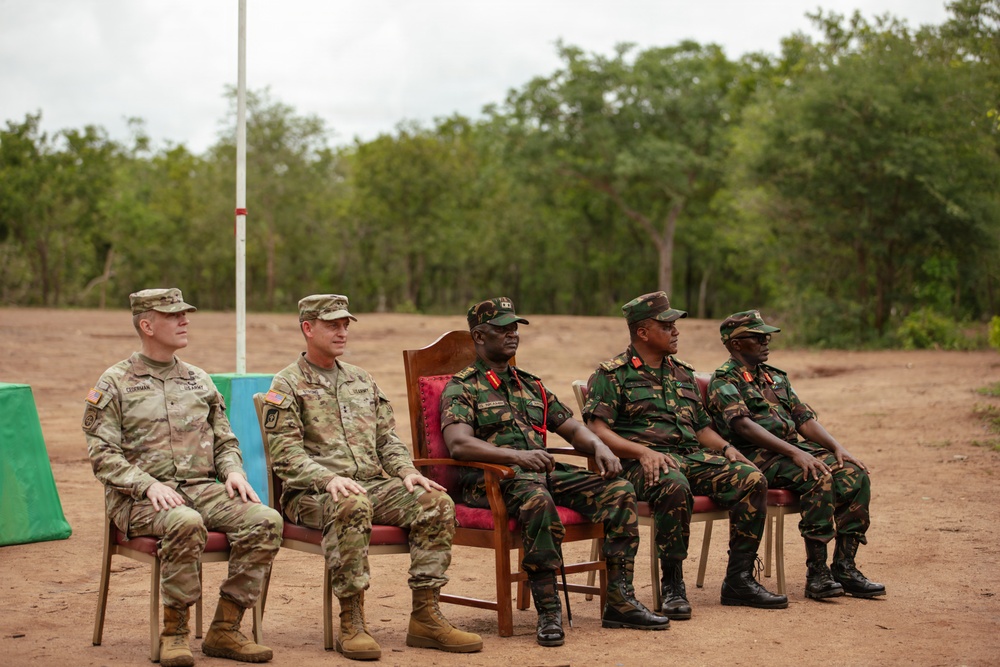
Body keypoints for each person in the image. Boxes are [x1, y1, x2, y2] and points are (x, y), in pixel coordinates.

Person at [261, 294, 482, 661]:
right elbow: (286, 456)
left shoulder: (362, 380)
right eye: (333, 324)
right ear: (307, 328)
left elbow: (387, 440)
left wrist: (407, 472)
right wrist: (327, 478)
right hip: (313, 495)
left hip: (371, 485)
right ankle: (352, 620)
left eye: (345, 324)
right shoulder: (286, 385)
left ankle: (426, 616)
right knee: (350, 502)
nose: (342, 331)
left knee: (436, 502)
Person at [440, 297, 670, 648]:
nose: (512, 334)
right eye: (502, 329)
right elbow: (459, 444)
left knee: (619, 490)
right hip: (492, 481)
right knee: (537, 500)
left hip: (541, 472)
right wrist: (516, 456)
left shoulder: (531, 385)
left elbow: (571, 428)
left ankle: (620, 601)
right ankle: (548, 611)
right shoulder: (462, 387)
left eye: (514, 327)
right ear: (479, 336)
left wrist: (600, 446)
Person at [83, 288, 282, 667]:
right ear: (147, 325)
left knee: (265, 520)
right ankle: (174, 633)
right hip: (140, 500)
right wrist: (148, 484)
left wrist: (234, 471)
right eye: (173, 315)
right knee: (185, 522)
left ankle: (225, 628)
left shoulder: (198, 380)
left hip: (202, 489)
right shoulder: (114, 383)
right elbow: (103, 456)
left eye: (184, 314)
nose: (184, 320)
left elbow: (225, 441)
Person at [582, 291, 788, 619]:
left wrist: (727, 448)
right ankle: (673, 584)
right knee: (672, 483)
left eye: (675, 325)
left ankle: (739, 579)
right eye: (667, 325)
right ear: (643, 332)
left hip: (690, 457)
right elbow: (598, 430)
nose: (676, 331)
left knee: (751, 478)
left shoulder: (682, 372)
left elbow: (702, 427)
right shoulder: (612, 374)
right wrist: (643, 451)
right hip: (640, 464)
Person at [706, 310, 885, 600]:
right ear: (736, 344)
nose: (766, 341)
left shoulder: (776, 378)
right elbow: (742, 426)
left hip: (790, 451)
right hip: (757, 456)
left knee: (854, 474)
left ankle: (845, 567)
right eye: (757, 337)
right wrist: (795, 452)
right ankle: (817, 574)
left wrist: (837, 448)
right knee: (817, 475)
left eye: (767, 336)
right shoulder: (724, 379)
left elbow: (803, 420)